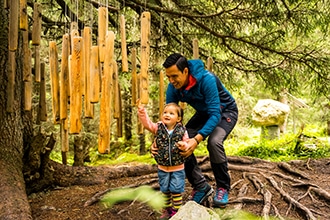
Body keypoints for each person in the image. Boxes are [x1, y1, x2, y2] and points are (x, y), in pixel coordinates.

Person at [156, 53, 238, 208]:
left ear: (185, 71)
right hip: (203, 114)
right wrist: (160, 140)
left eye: (174, 76)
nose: (171, 81)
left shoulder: (207, 79)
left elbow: (215, 113)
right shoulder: (173, 87)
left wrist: (197, 139)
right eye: (168, 77)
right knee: (178, 142)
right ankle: (201, 186)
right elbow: (170, 116)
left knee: (214, 142)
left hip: (225, 112)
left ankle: (222, 187)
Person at [136, 99, 189, 219]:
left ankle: (177, 210)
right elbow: (147, 124)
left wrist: (183, 145)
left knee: (176, 189)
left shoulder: (182, 130)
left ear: (178, 118)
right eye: (165, 112)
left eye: (171, 113)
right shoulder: (158, 127)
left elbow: (187, 143)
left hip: (177, 166)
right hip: (162, 167)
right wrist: (141, 110)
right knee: (164, 189)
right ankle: (167, 209)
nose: (167, 115)